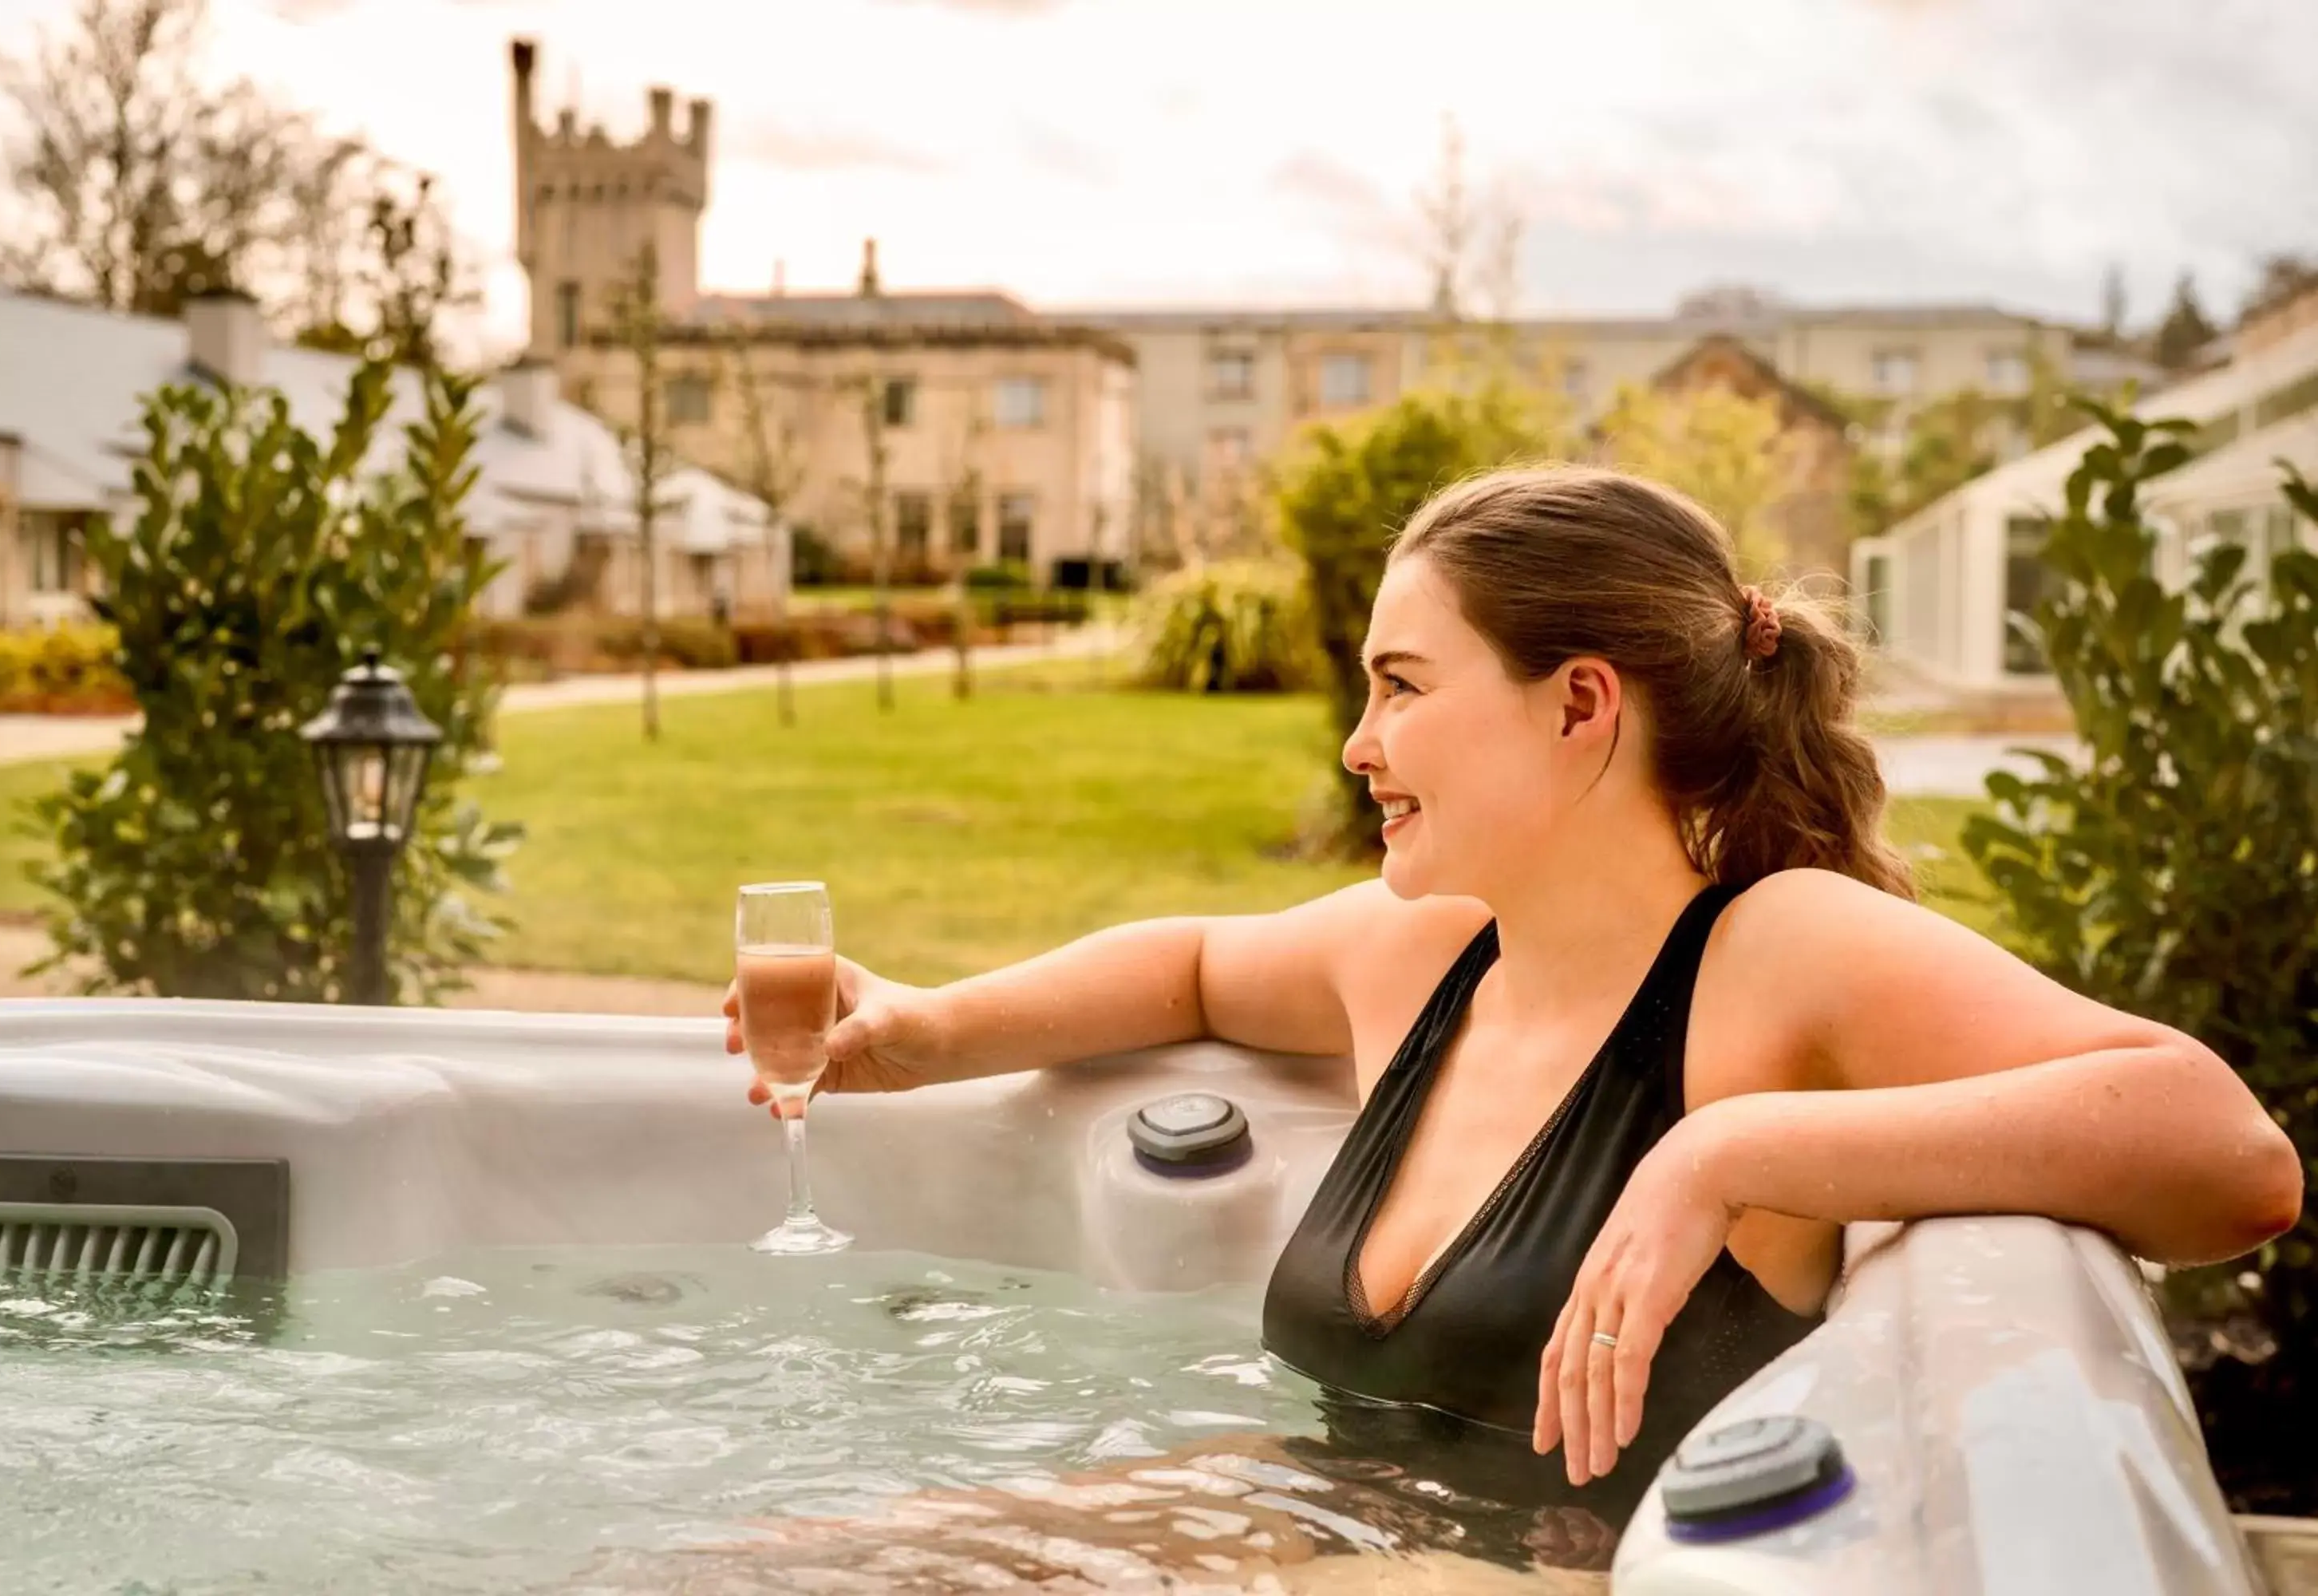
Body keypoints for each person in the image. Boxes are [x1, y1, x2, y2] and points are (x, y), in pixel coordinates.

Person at [721, 464, 2301, 1571]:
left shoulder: (1775, 959)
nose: (1358, 742)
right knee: (760, 1569)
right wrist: (914, 1032)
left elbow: (2227, 1153)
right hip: (1311, 1523)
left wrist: (1733, 1149)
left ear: (1580, 704)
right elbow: (1194, 964)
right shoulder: (1430, 952)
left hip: (1552, 1573)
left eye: (1404, 686)